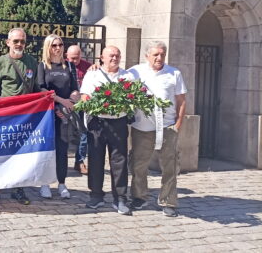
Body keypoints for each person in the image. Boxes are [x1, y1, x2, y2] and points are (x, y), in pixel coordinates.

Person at [128, 41, 187, 217]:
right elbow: (115, 76)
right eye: (155, 54)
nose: (159, 58)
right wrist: (95, 67)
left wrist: (177, 125)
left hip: (167, 127)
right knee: (138, 164)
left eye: (162, 54)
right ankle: (139, 197)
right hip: (142, 127)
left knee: (170, 166)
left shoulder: (174, 73)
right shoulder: (135, 72)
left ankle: (168, 200)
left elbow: (181, 101)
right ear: (147, 56)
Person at [0, 28, 41, 205]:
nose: (19, 44)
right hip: (3, 116)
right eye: (16, 41)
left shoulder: (32, 62)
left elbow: (36, 90)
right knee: (0, 153)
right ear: (8, 42)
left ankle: (19, 189)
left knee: (21, 155)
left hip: (24, 117)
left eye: (22, 41)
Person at [79, 46, 134, 215]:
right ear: (101, 58)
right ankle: (96, 195)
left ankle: (121, 198)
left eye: (117, 55)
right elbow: (84, 96)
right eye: (111, 56)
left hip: (119, 122)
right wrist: (97, 106)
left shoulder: (128, 75)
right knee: (95, 159)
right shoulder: (93, 74)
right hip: (97, 122)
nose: (114, 58)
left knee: (119, 161)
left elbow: (134, 96)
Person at [37, 35, 79, 200]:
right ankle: (45, 184)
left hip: (65, 114)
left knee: (62, 149)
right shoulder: (42, 66)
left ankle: (61, 183)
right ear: (48, 47)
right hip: (48, 113)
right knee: (48, 149)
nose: (58, 48)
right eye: (54, 45)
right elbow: (41, 89)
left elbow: (75, 88)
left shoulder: (69, 65)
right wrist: (61, 102)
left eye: (60, 44)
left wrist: (73, 99)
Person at [66, 45, 92, 175]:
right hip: (65, 103)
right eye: (72, 59)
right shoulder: (64, 66)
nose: (74, 61)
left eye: (77, 58)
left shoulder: (88, 67)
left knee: (84, 133)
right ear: (67, 56)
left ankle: (80, 161)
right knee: (63, 134)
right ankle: (60, 163)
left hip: (82, 104)